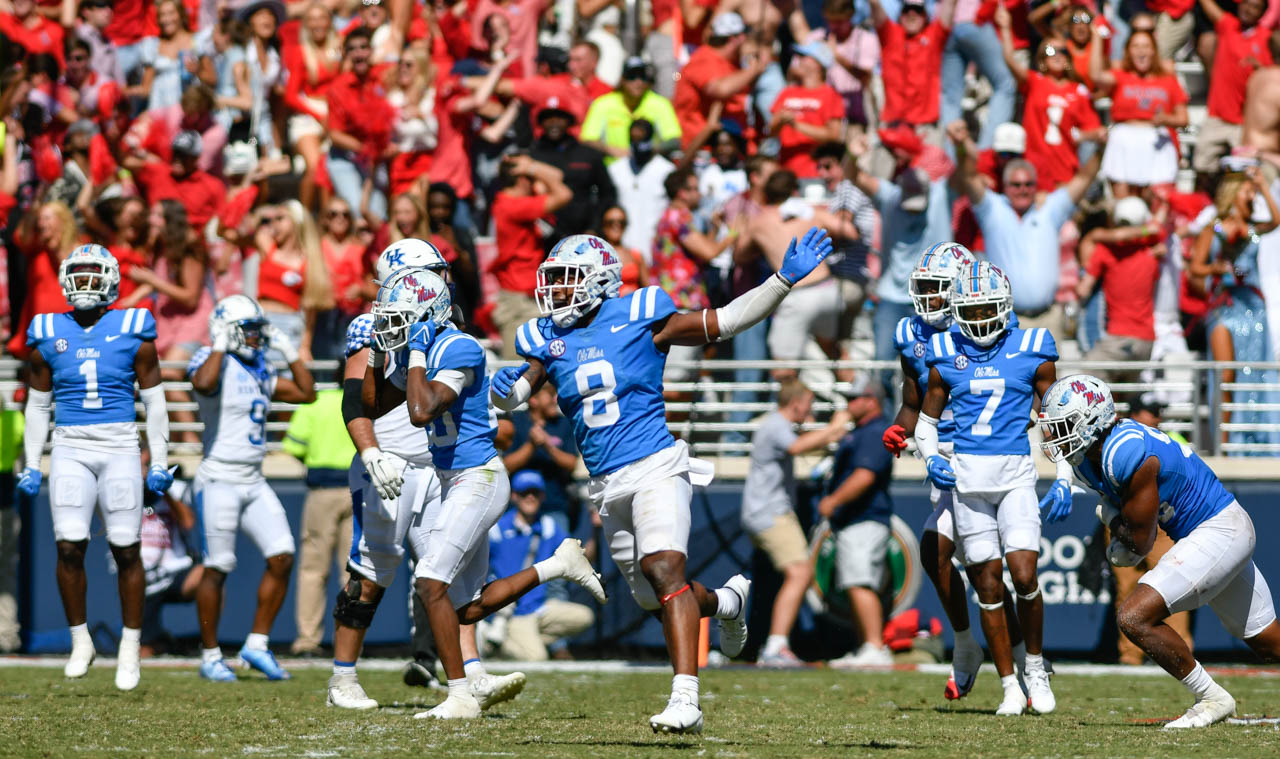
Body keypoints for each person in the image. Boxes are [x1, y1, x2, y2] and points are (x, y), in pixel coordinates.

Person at [491, 228, 834, 733]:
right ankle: (726, 602)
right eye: (553, 281)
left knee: (665, 567)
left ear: (599, 280)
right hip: (606, 483)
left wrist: (782, 281)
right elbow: (515, 396)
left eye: (566, 280)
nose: (556, 291)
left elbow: (726, 321)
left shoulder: (640, 314)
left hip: (656, 464)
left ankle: (685, 700)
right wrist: (503, 393)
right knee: (655, 594)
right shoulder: (547, 337)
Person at [366, 267, 606, 719]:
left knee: (430, 582)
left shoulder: (458, 346)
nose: (393, 324)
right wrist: (382, 359)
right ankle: (559, 564)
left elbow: (420, 411)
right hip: (451, 479)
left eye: (402, 316)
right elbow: (374, 405)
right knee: (468, 608)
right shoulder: (420, 350)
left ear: (428, 314)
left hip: (478, 476)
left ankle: (460, 695)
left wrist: (415, 352)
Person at [330, 241, 526, 711]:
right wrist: (372, 453)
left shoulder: (448, 332)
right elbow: (359, 401)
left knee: (448, 572)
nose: (443, 278)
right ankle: (343, 677)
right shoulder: (375, 327)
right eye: (433, 271)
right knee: (372, 570)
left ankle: (471, 673)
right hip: (391, 463)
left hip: (439, 466)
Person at [1038, 374, 1280, 728]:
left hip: (1217, 530)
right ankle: (1213, 698)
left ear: (1091, 421)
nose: (1058, 438)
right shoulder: (1092, 453)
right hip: (1217, 529)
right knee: (1269, 644)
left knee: (1134, 616)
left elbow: (1140, 544)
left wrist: (1111, 521)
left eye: (1065, 427)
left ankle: (1212, 698)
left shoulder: (1125, 454)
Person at [18, 244, 173, 691]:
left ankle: (129, 645)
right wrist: (32, 463)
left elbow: (155, 400)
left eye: (93, 275)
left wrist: (159, 461)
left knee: (126, 548)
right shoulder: (46, 330)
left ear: (111, 279)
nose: (85, 283)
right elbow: (37, 405)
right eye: (79, 275)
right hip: (69, 446)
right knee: (68, 546)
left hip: (121, 442)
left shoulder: (133, 325)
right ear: (66, 279)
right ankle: (80, 639)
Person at [915, 260, 1062, 716]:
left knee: (1024, 575)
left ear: (1005, 308)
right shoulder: (942, 350)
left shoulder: (1033, 346)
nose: (979, 322)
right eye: (971, 312)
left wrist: (1066, 478)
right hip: (967, 482)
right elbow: (926, 424)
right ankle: (1008, 686)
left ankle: (1034, 667)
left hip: (1016, 476)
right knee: (988, 586)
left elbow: (1058, 417)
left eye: (987, 311)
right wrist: (932, 457)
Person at [882, 243, 1024, 699]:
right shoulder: (912, 333)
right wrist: (901, 431)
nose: (928, 300)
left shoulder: (987, 330)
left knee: (969, 562)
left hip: (984, 457)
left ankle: (1011, 658)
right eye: (923, 288)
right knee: (958, 562)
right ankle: (974, 647)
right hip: (938, 455)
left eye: (938, 290)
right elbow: (912, 402)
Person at [188, 295, 316, 682]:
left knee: (283, 555)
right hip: (219, 479)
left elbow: (307, 393)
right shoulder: (213, 361)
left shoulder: (261, 367)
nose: (257, 338)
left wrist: (291, 351)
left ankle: (256, 644)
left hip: (253, 478)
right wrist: (220, 345)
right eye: (249, 330)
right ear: (227, 331)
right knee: (218, 567)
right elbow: (203, 383)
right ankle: (210, 655)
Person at [948, 118, 1103, 335]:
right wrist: (960, 145)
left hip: (1047, 318)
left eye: (1028, 184)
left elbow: (1084, 179)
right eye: (1016, 184)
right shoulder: (993, 208)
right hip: (1004, 319)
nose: (1023, 189)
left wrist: (1102, 148)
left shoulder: (1048, 208)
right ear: (1005, 185)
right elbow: (968, 176)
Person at [742, 380, 849, 667]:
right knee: (800, 572)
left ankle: (767, 643)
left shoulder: (776, 424)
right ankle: (776, 646)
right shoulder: (777, 424)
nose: (811, 410)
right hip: (770, 513)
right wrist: (835, 428)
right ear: (797, 403)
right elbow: (798, 447)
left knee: (779, 579)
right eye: (809, 404)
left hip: (764, 511)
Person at [1187, 168, 1280, 454]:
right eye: (1247, 191)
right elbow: (1195, 267)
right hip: (1226, 307)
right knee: (1227, 375)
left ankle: (1261, 441)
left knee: (1259, 373)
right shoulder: (1213, 229)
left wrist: (1264, 186)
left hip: (1254, 309)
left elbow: (1276, 221)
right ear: (1233, 194)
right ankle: (1225, 443)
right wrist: (1215, 268)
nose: (1251, 197)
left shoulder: (1253, 228)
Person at [843, 131, 951, 366]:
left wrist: (960, 146)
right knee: (883, 365)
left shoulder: (942, 195)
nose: (912, 210)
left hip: (936, 298)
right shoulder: (889, 196)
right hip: (892, 298)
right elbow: (853, 176)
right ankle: (884, 403)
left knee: (937, 367)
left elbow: (966, 173)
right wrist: (852, 156)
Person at [821, 379, 896, 668]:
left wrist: (834, 500)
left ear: (871, 400)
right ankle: (867, 644)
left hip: (865, 519)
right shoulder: (861, 431)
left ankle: (874, 646)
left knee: (860, 581)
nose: (848, 404)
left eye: (854, 398)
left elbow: (864, 476)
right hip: (854, 521)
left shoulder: (876, 431)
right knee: (855, 582)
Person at [486, 470, 597, 661]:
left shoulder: (549, 527)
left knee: (585, 617)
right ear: (514, 496)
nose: (530, 497)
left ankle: (509, 640)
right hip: (513, 612)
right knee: (537, 658)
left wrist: (595, 528)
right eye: (524, 493)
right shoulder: (497, 529)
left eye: (535, 493)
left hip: (540, 608)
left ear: (542, 496)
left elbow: (581, 560)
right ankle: (494, 642)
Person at [283, 375, 358, 656]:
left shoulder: (315, 402)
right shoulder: (364, 401)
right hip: (358, 490)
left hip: (322, 492)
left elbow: (293, 447)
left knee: (313, 570)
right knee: (353, 571)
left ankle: (307, 639)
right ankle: (350, 640)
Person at [995, 6, 1103, 192]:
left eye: (1064, 52)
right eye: (1052, 51)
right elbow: (1010, 61)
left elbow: (1095, 129)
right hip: (1034, 170)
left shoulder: (1078, 91)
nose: (1058, 55)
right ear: (1042, 59)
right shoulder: (1034, 82)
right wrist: (1005, 28)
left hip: (1065, 169)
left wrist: (1080, 135)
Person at [491, 154, 573, 359]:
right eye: (531, 176)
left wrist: (531, 167)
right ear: (521, 178)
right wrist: (533, 167)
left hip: (529, 298)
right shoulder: (513, 206)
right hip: (519, 302)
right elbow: (564, 193)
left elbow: (557, 176)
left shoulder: (513, 203)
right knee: (516, 373)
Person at [1090, 29, 1188, 196]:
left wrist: (1165, 119)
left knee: (1156, 199)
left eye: (1146, 46)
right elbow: (1096, 75)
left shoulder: (1168, 79)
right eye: (1136, 46)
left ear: (1154, 51)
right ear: (1128, 51)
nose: (1141, 51)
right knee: (1125, 205)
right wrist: (1097, 37)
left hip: (1156, 138)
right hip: (1124, 137)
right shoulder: (1121, 75)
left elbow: (1183, 119)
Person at [1193, 0, 1273, 177]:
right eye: (1246, 3)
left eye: (1254, 7)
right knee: (1201, 167)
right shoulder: (1228, 25)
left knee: (1243, 175)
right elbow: (1208, 6)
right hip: (1217, 116)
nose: (1248, 9)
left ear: (1262, 13)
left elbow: (1273, 80)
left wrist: (1259, 68)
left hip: (1245, 123)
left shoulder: (1266, 39)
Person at [672, 12, 771, 145]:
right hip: (704, 148)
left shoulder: (733, 63)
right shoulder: (703, 59)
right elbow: (719, 89)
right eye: (745, 36)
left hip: (735, 144)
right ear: (735, 39)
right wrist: (753, 70)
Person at [871, 0, 955, 141]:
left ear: (925, 16)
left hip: (925, 128)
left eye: (917, 10)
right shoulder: (890, 35)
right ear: (900, 15)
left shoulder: (934, 35)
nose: (911, 14)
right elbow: (875, 5)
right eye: (906, 9)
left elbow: (950, 4)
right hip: (894, 126)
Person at [503, 383, 580, 532]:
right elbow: (507, 464)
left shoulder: (563, 423)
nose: (555, 399)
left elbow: (571, 463)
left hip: (555, 507)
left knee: (560, 554)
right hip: (519, 508)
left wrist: (547, 445)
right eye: (550, 395)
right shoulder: (516, 422)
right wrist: (531, 445)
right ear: (533, 400)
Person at [580, 56, 682, 161]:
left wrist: (647, 152)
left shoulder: (660, 104)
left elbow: (673, 139)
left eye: (643, 77)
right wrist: (612, 150)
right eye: (632, 77)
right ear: (622, 80)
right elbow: (588, 138)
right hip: (611, 168)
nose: (638, 82)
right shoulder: (603, 103)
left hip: (648, 166)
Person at [770, 42, 844, 178]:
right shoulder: (787, 92)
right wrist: (781, 122)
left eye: (804, 57)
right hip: (785, 169)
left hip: (816, 172)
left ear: (818, 64)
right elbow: (771, 131)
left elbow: (833, 136)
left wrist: (796, 124)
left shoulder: (830, 94)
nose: (798, 60)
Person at [607, 119, 676, 258]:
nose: (638, 144)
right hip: (623, 252)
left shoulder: (666, 170)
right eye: (634, 139)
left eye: (642, 139)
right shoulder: (615, 169)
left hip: (656, 251)